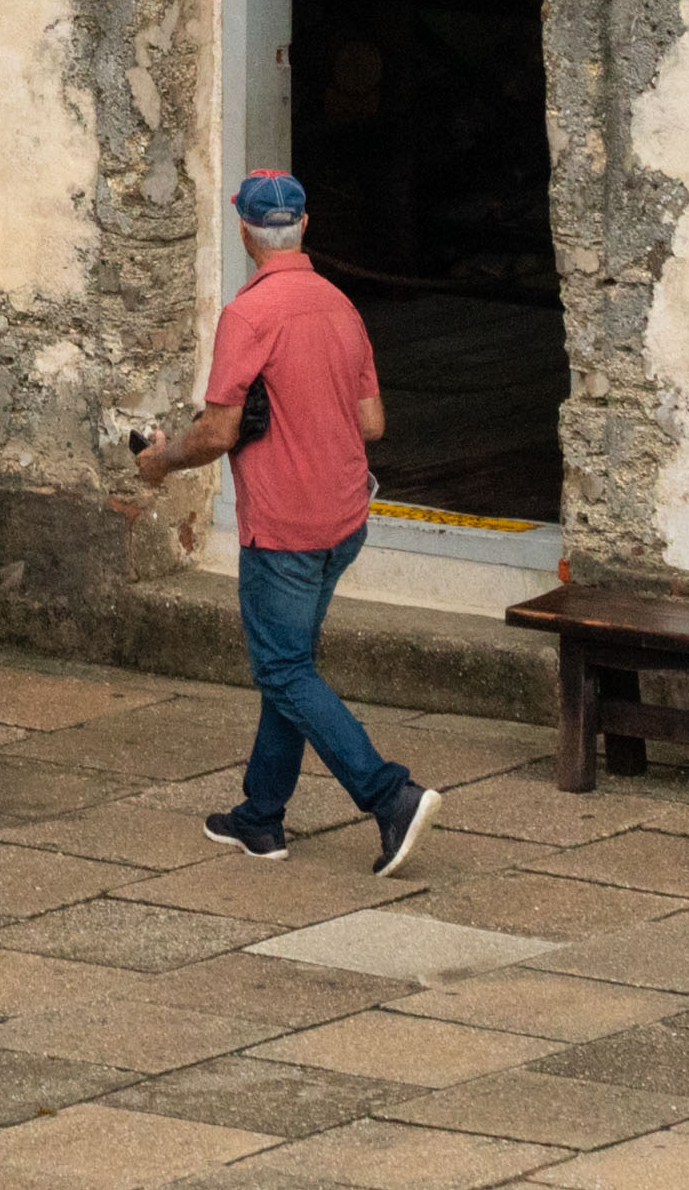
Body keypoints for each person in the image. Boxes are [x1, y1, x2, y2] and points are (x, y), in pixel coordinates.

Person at [123, 168, 432, 872]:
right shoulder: (341, 306)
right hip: (344, 518)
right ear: (304, 226)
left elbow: (219, 432)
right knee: (287, 664)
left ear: (243, 229)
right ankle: (261, 815)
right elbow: (373, 422)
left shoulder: (249, 314)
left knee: (286, 666)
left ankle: (389, 794)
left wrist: (161, 460)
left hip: (285, 526)